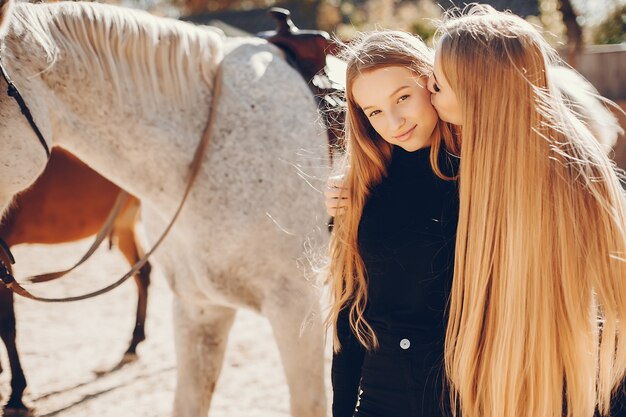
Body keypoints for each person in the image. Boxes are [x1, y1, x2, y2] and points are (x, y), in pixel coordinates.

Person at [426, 5, 626, 417]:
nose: (427, 89)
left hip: (573, 378)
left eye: (438, 84)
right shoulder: (574, 153)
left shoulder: (561, 168)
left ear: (476, 90)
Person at [325, 29, 461, 417]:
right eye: (374, 112)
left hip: (466, 391)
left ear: (431, 82)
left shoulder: (482, 175)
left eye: (402, 97)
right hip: (383, 393)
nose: (394, 121)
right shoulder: (360, 189)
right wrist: (341, 408)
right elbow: (349, 311)